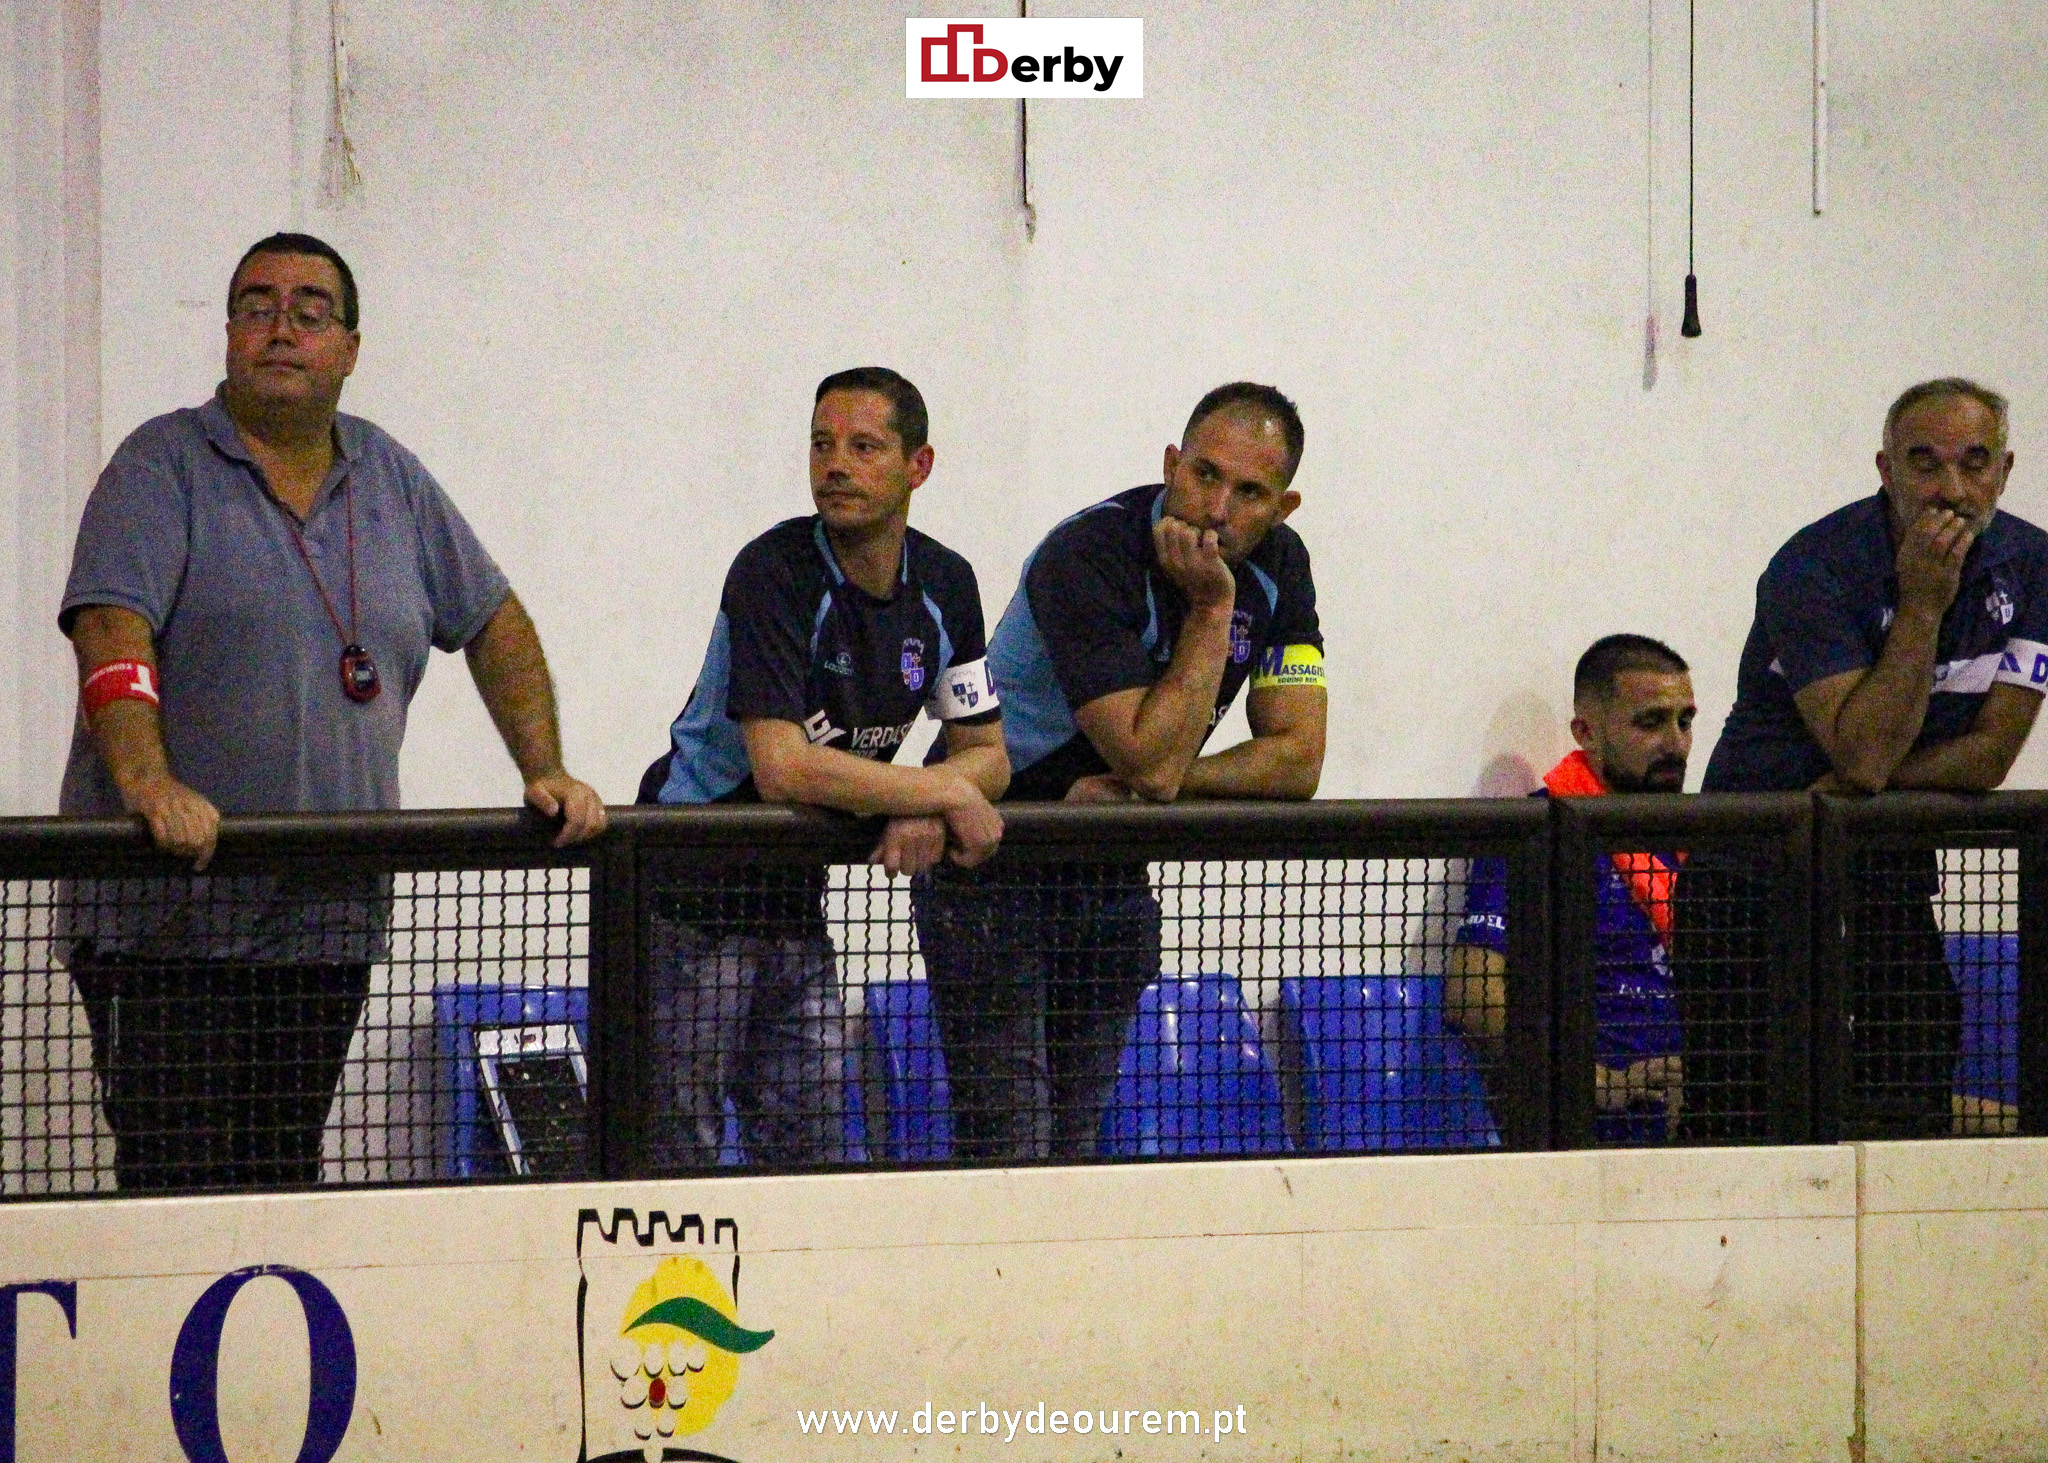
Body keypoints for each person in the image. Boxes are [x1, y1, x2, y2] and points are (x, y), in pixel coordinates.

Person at [59, 232, 606, 1191]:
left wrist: (544, 768)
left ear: (349, 348)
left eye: (311, 311)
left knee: (285, 1174)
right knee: (176, 1182)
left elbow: (497, 621)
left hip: (326, 920)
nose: (282, 328)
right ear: (228, 334)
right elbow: (111, 629)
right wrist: (146, 783)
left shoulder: (392, 477)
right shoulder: (159, 466)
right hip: (164, 925)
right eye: (258, 306)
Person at [915, 382, 1327, 1160]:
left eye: (1249, 492)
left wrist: (1165, 784)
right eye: (1204, 474)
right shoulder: (1090, 553)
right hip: (992, 865)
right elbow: (1147, 754)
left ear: (1284, 506)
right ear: (1171, 463)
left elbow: (1297, 755)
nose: (1216, 509)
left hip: (1110, 871)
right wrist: (1211, 612)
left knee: (1073, 1149)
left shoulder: (1282, 569)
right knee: (1010, 1144)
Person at [637, 367, 1007, 1170]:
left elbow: (989, 752)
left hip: (794, 902)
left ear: (919, 465)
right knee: (676, 1156)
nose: (834, 464)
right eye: (821, 443)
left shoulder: (946, 583)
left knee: (809, 1152)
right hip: (686, 897)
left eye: (864, 446)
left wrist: (920, 803)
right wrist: (938, 787)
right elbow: (783, 767)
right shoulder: (773, 572)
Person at [1693, 377, 2048, 1138]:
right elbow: (1862, 753)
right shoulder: (1810, 569)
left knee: (1909, 1093)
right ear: (1885, 471)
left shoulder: (2033, 566)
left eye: (1974, 462)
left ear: (2006, 470)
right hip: (1752, 881)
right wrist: (1923, 603)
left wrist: (1865, 781)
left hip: (1886, 872)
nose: (1951, 490)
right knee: (1746, 1125)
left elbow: (1989, 755)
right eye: (1924, 464)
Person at [1448, 636, 1691, 1138]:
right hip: (1577, 1135)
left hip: (1699, 1126)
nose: (1676, 742)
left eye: (1685, 720)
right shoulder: (1538, 834)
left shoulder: (1698, 838)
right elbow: (1471, 995)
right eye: (1650, 722)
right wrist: (1596, 1083)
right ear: (1587, 733)